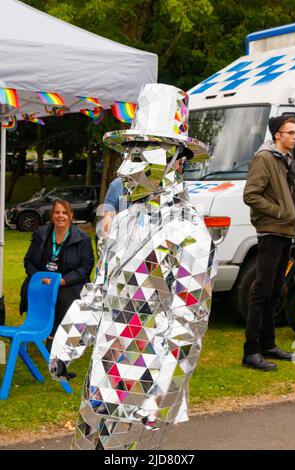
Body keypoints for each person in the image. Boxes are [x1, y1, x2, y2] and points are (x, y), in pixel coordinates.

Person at [49, 83, 218, 450]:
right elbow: (98, 293)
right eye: (128, 153)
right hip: (102, 373)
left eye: (142, 155)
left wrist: (165, 396)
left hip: (146, 379)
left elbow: (189, 323)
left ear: (176, 159)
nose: (126, 168)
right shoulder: (123, 224)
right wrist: (67, 342)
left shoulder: (190, 235)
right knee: (84, 447)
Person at [243, 114, 295, 371]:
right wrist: (280, 213)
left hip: (285, 233)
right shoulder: (264, 158)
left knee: (275, 292)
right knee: (261, 293)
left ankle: (268, 344)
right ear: (278, 134)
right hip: (271, 232)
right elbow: (251, 195)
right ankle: (251, 352)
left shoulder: (283, 160)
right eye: (290, 133)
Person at [20, 200, 94, 350]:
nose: (61, 216)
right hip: (43, 280)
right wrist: (38, 278)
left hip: (68, 282)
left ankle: (53, 337)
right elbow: (29, 260)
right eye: (57, 212)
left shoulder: (82, 238)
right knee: (33, 293)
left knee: (62, 299)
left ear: (71, 216)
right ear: (52, 215)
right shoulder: (41, 234)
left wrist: (62, 281)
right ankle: (33, 330)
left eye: (64, 213)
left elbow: (86, 267)